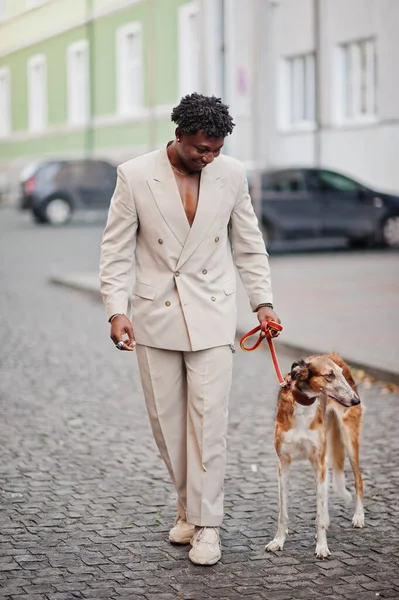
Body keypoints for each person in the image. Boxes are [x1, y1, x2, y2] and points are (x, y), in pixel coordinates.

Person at [99, 93, 280, 566]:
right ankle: (187, 505)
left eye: (216, 150)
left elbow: (249, 244)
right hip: (154, 316)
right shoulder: (135, 175)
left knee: (208, 423)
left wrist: (263, 302)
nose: (209, 158)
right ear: (179, 135)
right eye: (202, 149)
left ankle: (207, 526)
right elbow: (116, 249)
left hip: (213, 312)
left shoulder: (231, 175)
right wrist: (115, 310)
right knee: (168, 426)